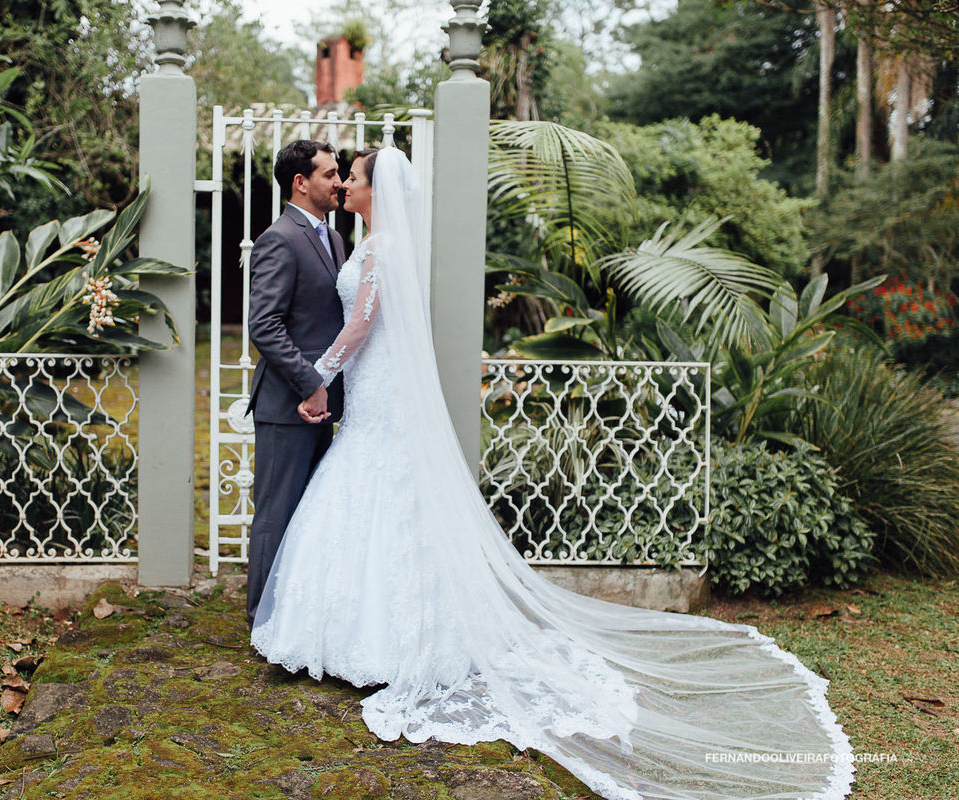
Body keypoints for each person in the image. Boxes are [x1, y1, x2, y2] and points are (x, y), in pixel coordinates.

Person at [250, 145, 856, 800]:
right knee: (380, 502)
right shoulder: (354, 243)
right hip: (372, 392)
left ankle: (373, 641)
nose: (342, 185)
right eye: (335, 176)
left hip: (368, 389)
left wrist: (321, 380)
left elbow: (362, 323)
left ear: (377, 190)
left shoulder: (375, 249)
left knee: (376, 497)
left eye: (353, 177)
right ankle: (372, 633)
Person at [244, 140, 346, 628]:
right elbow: (264, 325)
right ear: (301, 183)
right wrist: (310, 384)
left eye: (340, 173)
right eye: (329, 174)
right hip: (289, 403)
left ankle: (296, 615)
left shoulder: (334, 237)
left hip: (324, 403)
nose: (339, 182)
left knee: (309, 515)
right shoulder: (279, 238)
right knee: (276, 513)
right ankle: (261, 619)